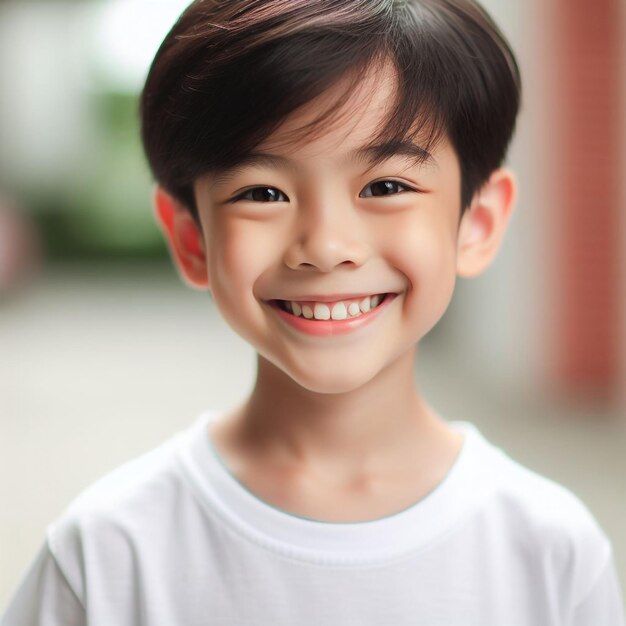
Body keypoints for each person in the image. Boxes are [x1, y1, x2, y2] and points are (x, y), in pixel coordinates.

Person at [2, 0, 624, 623]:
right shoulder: (108, 556)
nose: (325, 247)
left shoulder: (550, 552)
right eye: (262, 193)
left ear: (476, 223)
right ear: (192, 240)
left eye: (385, 186)